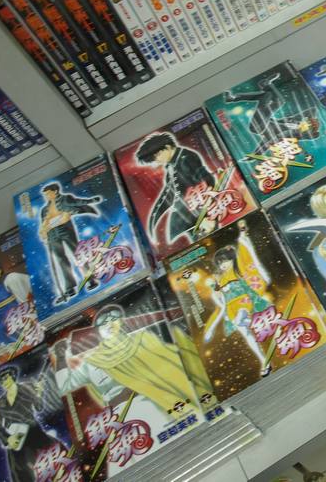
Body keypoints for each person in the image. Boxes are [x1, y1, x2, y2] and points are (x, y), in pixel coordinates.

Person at [55, 304, 197, 414]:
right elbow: (64, 386)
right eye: (104, 322)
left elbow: (174, 360)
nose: (110, 324)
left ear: (122, 322)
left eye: (114, 319)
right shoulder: (92, 362)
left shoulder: (145, 339)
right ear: (97, 330)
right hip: (125, 414)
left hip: (164, 402)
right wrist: (61, 358)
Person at [203, 223, 273, 375]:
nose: (222, 265)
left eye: (224, 261)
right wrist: (216, 291)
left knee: (241, 317)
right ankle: (264, 361)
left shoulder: (237, 269)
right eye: (220, 263)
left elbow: (245, 254)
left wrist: (242, 234)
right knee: (246, 335)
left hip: (243, 301)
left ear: (231, 259)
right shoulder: (220, 279)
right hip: (231, 308)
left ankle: (251, 320)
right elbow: (220, 300)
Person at [136, 133, 218, 247]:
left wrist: (207, 215)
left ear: (168, 147)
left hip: (198, 213)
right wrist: (153, 222)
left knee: (210, 243)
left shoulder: (186, 158)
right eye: (154, 158)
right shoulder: (170, 167)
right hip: (183, 217)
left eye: (158, 155)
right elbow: (168, 195)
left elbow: (207, 180)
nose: (157, 160)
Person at [0, 365, 57, 482]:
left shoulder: (27, 387)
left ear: (12, 377)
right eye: (2, 381)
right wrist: (8, 439)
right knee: (19, 470)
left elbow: (39, 408)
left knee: (52, 458)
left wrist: (39, 394)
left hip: (34, 432)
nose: (4, 382)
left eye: (6, 378)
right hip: (17, 438)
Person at [38, 184, 100, 304]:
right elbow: (43, 224)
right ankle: (69, 288)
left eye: (48, 193)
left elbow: (78, 202)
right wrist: (44, 234)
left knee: (77, 254)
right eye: (45, 194)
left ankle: (90, 279)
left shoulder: (65, 199)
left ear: (55, 191)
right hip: (52, 235)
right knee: (60, 260)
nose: (46, 196)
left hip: (65, 230)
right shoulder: (44, 210)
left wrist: (92, 200)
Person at [0, 265, 31, 347]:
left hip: (12, 307)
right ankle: (1, 346)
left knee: (11, 325)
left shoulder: (8, 278)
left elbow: (25, 283)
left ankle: (21, 343)